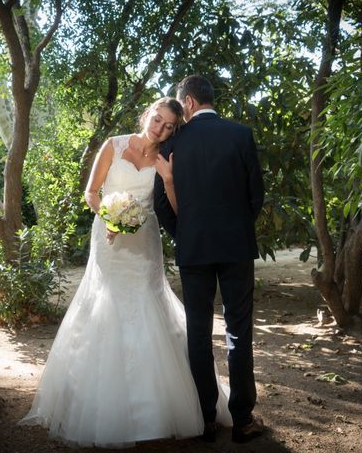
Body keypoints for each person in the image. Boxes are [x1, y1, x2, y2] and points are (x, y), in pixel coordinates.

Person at [19, 97, 231, 448]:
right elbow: (90, 192)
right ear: (148, 113)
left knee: (147, 304)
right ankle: (104, 404)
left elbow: (175, 212)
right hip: (108, 240)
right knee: (107, 305)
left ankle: (157, 411)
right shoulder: (113, 145)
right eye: (157, 119)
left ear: (172, 131)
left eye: (167, 126)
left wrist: (169, 180)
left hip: (145, 245)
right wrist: (110, 217)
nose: (159, 128)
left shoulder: (167, 159)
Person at [154, 75, 265, 443]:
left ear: (186, 102)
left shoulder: (171, 143)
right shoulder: (240, 134)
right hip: (236, 249)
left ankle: (205, 418)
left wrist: (185, 235)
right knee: (239, 331)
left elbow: (161, 205)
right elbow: (256, 197)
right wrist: (234, 228)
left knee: (198, 333)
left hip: (194, 250)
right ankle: (243, 419)